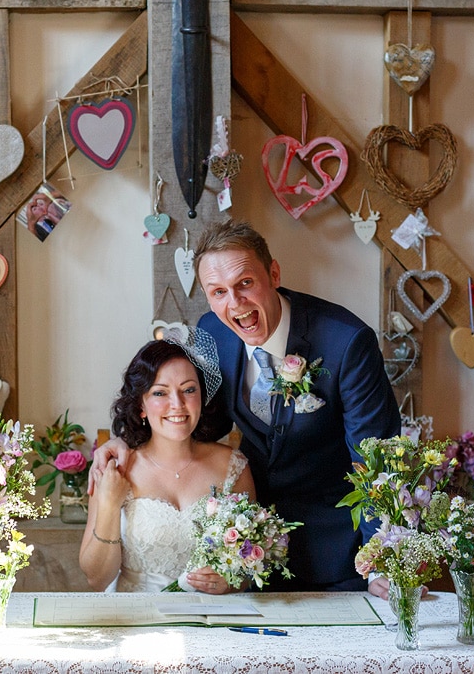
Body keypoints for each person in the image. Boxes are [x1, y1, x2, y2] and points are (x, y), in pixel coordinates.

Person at [92, 219, 399, 594]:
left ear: (273, 273)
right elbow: (191, 417)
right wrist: (123, 443)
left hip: (339, 554)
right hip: (245, 554)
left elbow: (376, 460)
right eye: (218, 291)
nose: (234, 303)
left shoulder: (346, 343)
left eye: (245, 284)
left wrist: (381, 558)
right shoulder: (213, 333)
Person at [79, 339, 255, 593]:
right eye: (160, 393)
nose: (178, 404)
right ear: (141, 405)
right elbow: (97, 579)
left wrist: (232, 581)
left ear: (202, 397)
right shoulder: (115, 468)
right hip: (139, 617)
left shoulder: (232, 466)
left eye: (189, 390)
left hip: (212, 617)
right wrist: (108, 505)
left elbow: (251, 566)